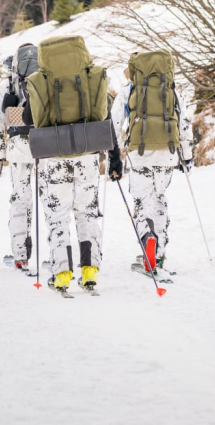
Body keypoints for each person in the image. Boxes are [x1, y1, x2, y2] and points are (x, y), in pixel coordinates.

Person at [25, 35, 107, 293]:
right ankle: (89, 270)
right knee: (87, 212)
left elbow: (33, 120)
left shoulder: (39, 80)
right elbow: (103, 112)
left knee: (57, 216)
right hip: (87, 152)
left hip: (54, 155)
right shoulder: (92, 75)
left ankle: (61, 273)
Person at [110, 52, 192, 278]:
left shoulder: (129, 90)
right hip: (168, 152)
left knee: (141, 201)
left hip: (140, 153)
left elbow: (114, 124)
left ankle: (148, 240)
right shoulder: (171, 91)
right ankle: (160, 253)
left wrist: (113, 156)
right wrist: (187, 156)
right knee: (159, 197)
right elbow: (184, 124)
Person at [0, 44, 38, 270]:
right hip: (46, 145)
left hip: (19, 147)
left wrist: (0, 151)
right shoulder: (44, 79)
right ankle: (56, 255)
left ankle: (21, 254)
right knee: (51, 201)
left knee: (21, 200)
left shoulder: (7, 85)